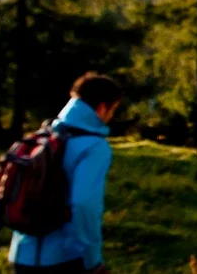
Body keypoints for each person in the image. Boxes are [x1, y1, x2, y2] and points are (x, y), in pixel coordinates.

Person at [10, 72, 120, 274]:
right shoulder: (94, 146)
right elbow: (84, 204)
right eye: (113, 110)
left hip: (22, 253)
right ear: (103, 108)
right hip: (64, 258)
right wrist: (92, 260)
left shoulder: (43, 137)